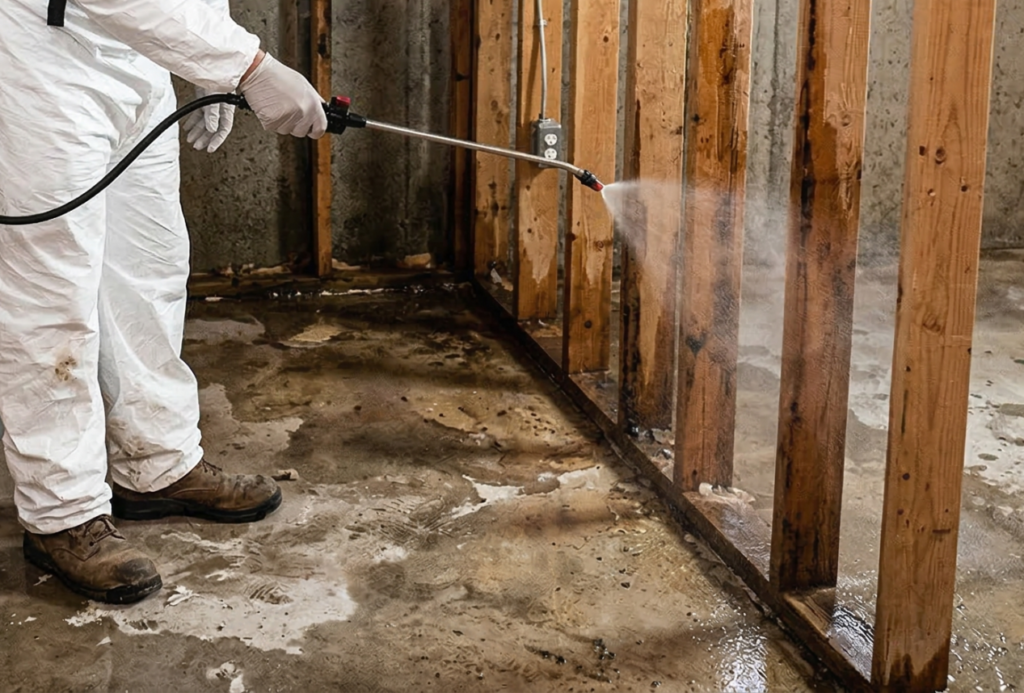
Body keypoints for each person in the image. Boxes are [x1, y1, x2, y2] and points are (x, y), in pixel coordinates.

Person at [0, 0, 328, 604]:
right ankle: (60, 514)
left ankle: (156, 464)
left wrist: (206, 57)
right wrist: (246, 65)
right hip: (38, 57)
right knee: (51, 301)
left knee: (147, 269)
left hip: (136, 54)